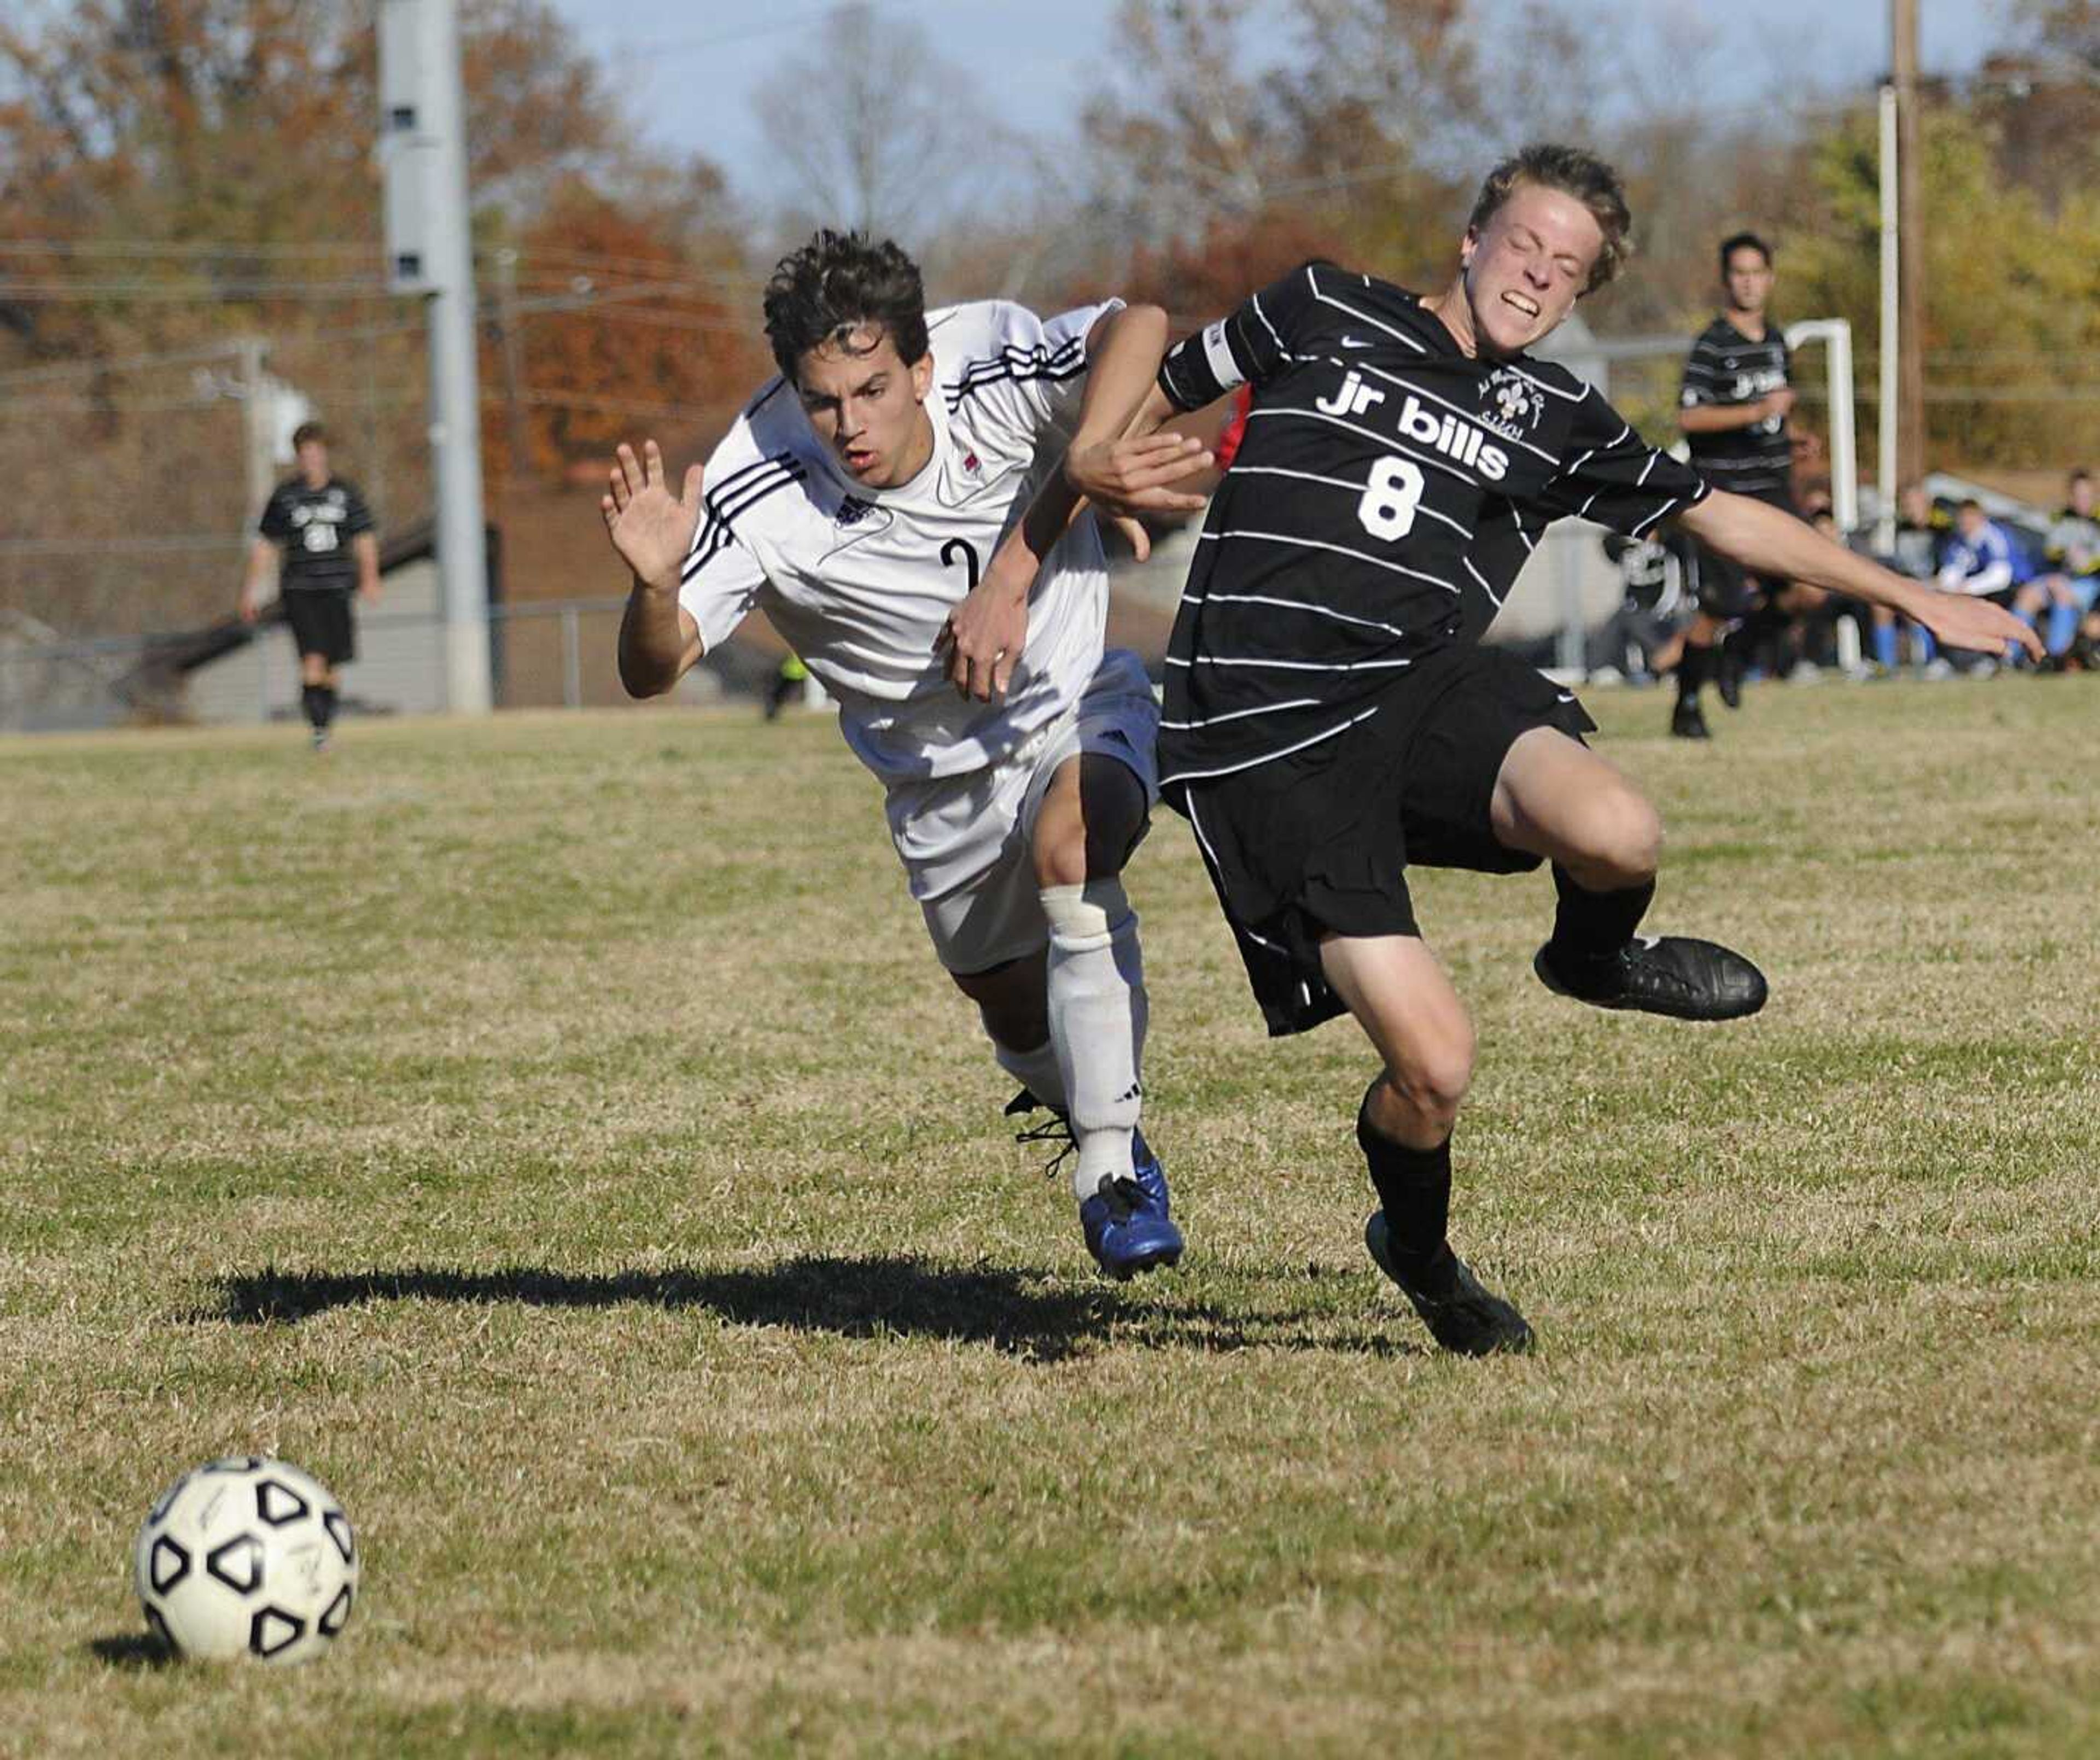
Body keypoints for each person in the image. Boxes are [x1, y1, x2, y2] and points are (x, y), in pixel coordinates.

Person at [1137, 144, 2039, 1355]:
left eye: (1566, 270)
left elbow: (1722, 512)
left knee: (1622, 830)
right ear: (1471, 238)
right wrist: (1096, 474)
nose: (1537, 277)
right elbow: (1146, 373)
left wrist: (1914, 597)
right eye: (1525, 245)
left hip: (1422, 687)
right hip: (1273, 731)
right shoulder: (1318, 305)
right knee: (1437, 1070)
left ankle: (1592, 959)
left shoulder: (1553, 412)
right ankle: (1420, 1250)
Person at [599, 231, 1214, 1279]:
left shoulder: (987, 359)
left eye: (874, 389)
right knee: (1012, 1007)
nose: (850, 423)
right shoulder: (757, 481)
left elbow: (1140, 326)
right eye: (823, 398)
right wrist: (655, 588)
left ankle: (1109, 1171)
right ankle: (1097, 1116)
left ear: (922, 368)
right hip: (937, 786)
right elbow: (651, 670)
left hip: (1070, 696)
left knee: (1079, 842)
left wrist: (1084, 461)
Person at [1671, 231, 1797, 737]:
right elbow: (1690, 418)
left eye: (1757, 273)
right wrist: (1755, 412)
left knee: (1809, 589)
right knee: (1720, 605)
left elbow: (1774, 417)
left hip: (1773, 486)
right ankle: (1685, 704)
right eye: (1739, 273)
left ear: (1769, 278)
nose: (1748, 283)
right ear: (1727, 281)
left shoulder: (1776, 341)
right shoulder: (1712, 344)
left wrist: (1796, 436)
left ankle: (1739, 652)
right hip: (1724, 491)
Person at [238, 421, 379, 751]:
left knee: (331, 663)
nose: (311, 460)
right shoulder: (286, 497)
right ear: (298, 457)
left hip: (337, 587)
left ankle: (325, 725)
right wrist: (251, 590)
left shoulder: (345, 493)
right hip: (300, 589)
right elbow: (266, 545)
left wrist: (370, 577)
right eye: (305, 454)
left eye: (316, 452)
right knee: (312, 659)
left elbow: (364, 537)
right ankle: (318, 730)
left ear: (324, 454)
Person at [1938, 498, 2037, 671]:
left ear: (1981, 518)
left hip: (2014, 587)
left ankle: (2009, 658)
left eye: (1970, 517)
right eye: (1963, 518)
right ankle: (1957, 661)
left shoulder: (1994, 536)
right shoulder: (1958, 541)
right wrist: (1949, 588)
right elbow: (1950, 573)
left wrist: (1966, 588)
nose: (1966, 523)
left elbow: (2001, 576)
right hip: (1982, 591)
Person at [2023, 468, 2100, 667]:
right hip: (2061, 578)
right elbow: (2050, 552)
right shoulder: (2061, 519)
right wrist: (2064, 557)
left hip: (2090, 584)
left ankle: (2054, 657)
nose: (2082, 500)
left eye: (2087, 495)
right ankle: (2007, 656)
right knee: (2028, 595)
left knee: (2062, 594)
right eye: (2077, 495)